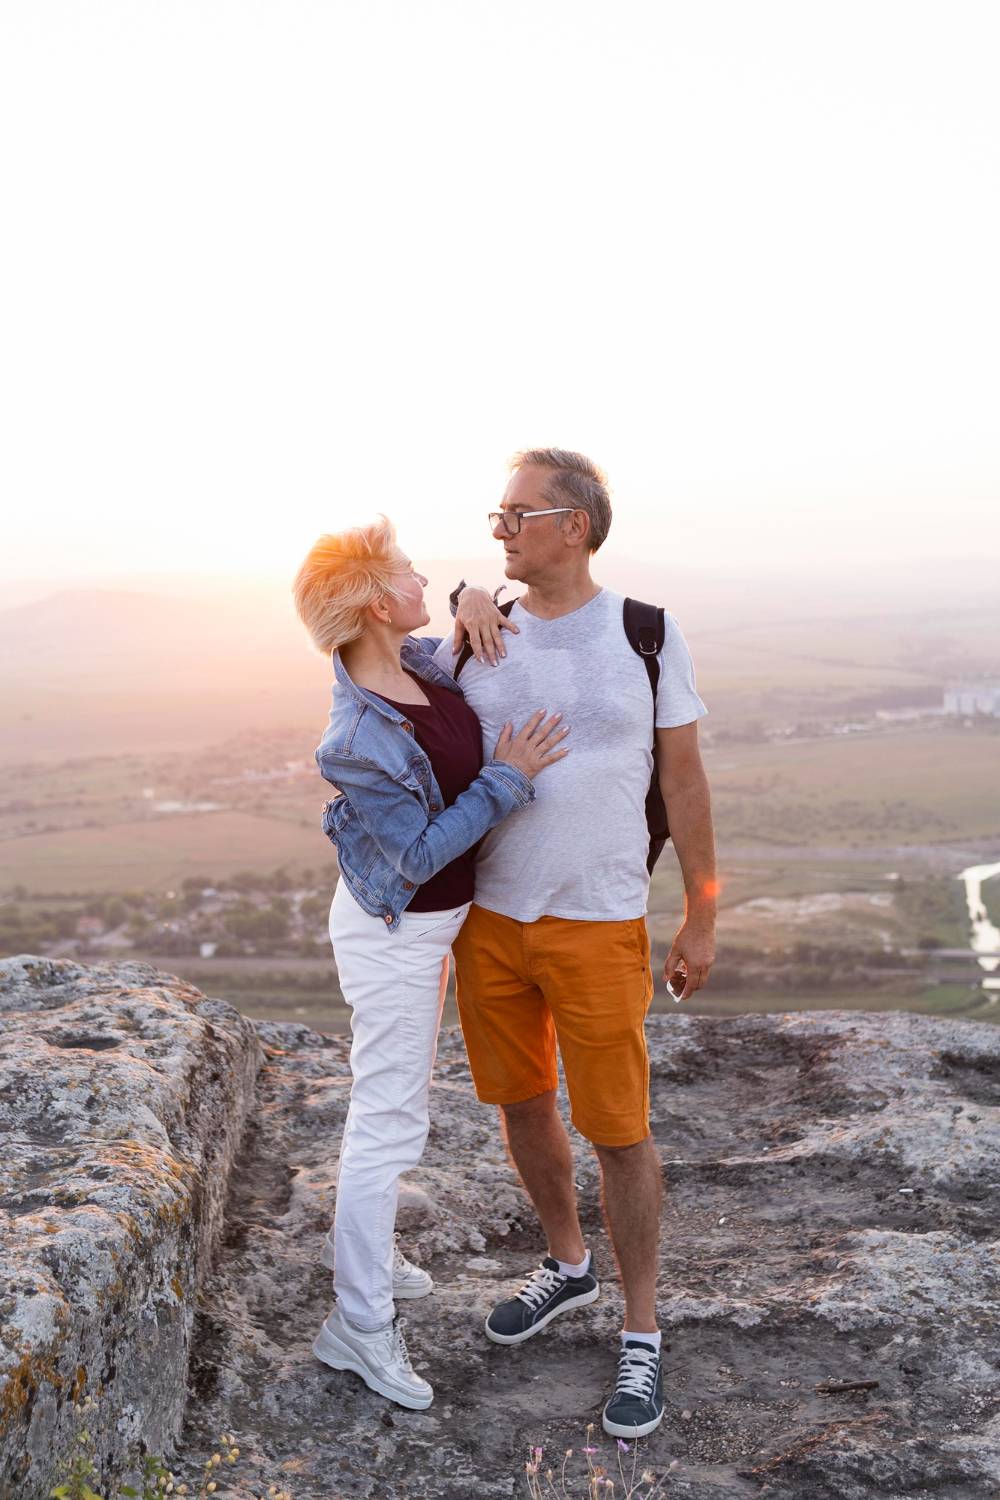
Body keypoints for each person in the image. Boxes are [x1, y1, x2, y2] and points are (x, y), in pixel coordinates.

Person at [433, 449, 717, 1439]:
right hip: (489, 922)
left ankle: (641, 1332)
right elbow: (365, 664)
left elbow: (682, 782)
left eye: (517, 514)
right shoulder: (476, 634)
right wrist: (464, 595)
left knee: (618, 1129)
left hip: (598, 920)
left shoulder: (644, 633)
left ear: (576, 526)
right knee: (519, 1106)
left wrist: (703, 909)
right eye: (496, 514)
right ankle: (566, 1264)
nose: (499, 529)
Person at [292, 517, 569, 1412]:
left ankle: (370, 1265)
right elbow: (415, 853)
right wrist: (508, 777)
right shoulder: (355, 737)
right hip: (397, 932)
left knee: (395, 1112)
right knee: (388, 1121)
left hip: (436, 927)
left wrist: (470, 598)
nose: (424, 578)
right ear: (376, 602)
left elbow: (457, 625)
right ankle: (358, 1324)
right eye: (411, 574)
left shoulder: (411, 661)